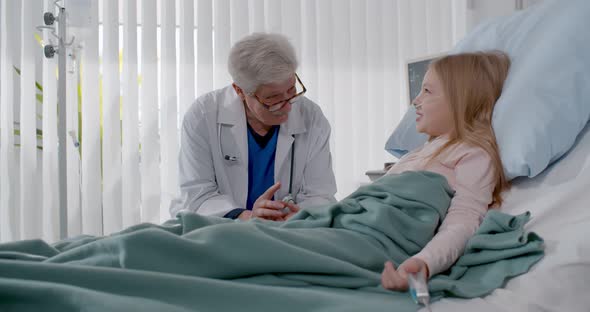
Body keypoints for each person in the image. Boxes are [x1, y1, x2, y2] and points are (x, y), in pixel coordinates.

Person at [170, 33, 337, 221]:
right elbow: (198, 195)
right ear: (240, 91)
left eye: (292, 91)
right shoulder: (203, 116)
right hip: (220, 230)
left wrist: (298, 216)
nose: (288, 106)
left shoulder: (312, 117)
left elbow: (321, 193)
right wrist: (248, 217)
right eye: (272, 99)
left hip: (288, 232)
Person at [380, 51, 511, 291]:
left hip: (380, 235)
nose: (415, 101)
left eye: (427, 91)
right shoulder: (420, 152)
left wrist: (424, 262)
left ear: (461, 101)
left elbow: (464, 221)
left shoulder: (472, 153)